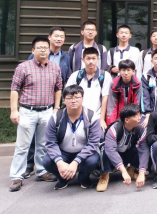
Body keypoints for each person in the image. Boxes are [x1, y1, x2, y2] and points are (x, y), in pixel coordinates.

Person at [9, 36, 62, 192]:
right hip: (27, 111)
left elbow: (58, 89)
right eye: (39, 48)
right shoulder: (23, 67)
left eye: (45, 48)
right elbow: (14, 89)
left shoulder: (55, 67)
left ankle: (41, 171)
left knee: (43, 145)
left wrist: (56, 107)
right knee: (22, 146)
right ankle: (17, 176)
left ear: (49, 50)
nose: (43, 50)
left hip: (47, 111)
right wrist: (14, 110)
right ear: (33, 50)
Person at [24, 26, 70, 179]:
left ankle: (43, 168)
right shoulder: (38, 53)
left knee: (46, 136)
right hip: (36, 99)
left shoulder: (66, 57)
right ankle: (28, 165)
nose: (59, 39)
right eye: (56, 36)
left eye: (62, 36)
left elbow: (65, 79)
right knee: (32, 136)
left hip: (54, 101)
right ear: (49, 37)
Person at [43, 85, 101, 190]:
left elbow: (93, 143)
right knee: (47, 161)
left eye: (77, 97)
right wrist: (59, 162)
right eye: (69, 98)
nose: (73, 101)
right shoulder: (55, 118)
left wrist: (75, 162)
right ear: (64, 100)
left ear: (82, 98)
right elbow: (51, 143)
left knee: (92, 160)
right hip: (63, 152)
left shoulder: (92, 117)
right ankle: (64, 178)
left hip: (84, 152)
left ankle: (83, 178)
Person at [97, 104, 148, 192]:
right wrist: (123, 171)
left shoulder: (141, 129)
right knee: (105, 150)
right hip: (112, 157)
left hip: (126, 153)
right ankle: (104, 174)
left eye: (139, 114)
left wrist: (141, 173)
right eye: (136, 115)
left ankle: (131, 170)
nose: (139, 117)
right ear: (126, 120)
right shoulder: (114, 129)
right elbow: (111, 150)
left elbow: (144, 150)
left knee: (140, 148)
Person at [66, 47, 112, 119]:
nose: (91, 61)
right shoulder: (75, 76)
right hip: (78, 116)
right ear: (83, 59)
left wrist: (102, 119)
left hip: (97, 116)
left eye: (93, 58)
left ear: (98, 59)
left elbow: (105, 97)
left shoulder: (105, 76)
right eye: (88, 58)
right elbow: (68, 95)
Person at [105, 59, 142, 127]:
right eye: (123, 70)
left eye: (128, 70)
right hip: (118, 116)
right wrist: (112, 125)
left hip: (132, 115)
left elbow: (136, 104)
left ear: (133, 71)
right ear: (119, 71)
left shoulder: (137, 83)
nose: (126, 73)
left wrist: (133, 121)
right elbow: (112, 106)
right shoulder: (114, 84)